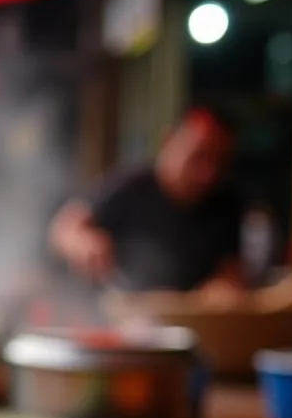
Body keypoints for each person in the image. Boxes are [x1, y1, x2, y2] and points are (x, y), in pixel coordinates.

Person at [49, 106, 245, 295]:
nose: (207, 173)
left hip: (191, 320)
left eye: (219, 162)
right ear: (168, 141)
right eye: (198, 157)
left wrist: (224, 289)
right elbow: (65, 228)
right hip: (119, 314)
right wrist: (84, 243)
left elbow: (231, 272)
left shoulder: (226, 203)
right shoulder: (130, 186)